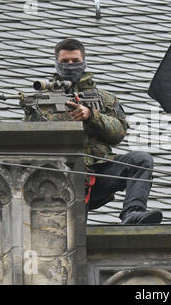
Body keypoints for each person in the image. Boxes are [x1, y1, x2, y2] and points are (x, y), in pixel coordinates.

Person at [24, 38, 162, 225]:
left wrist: (91, 116)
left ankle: (132, 213)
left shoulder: (105, 99)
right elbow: (28, 144)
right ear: (57, 64)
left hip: (99, 171)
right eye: (65, 62)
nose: (70, 65)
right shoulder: (43, 103)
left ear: (84, 62)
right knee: (71, 232)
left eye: (75, 61)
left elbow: (119, 132)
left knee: (141, 161)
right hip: (61, 175)